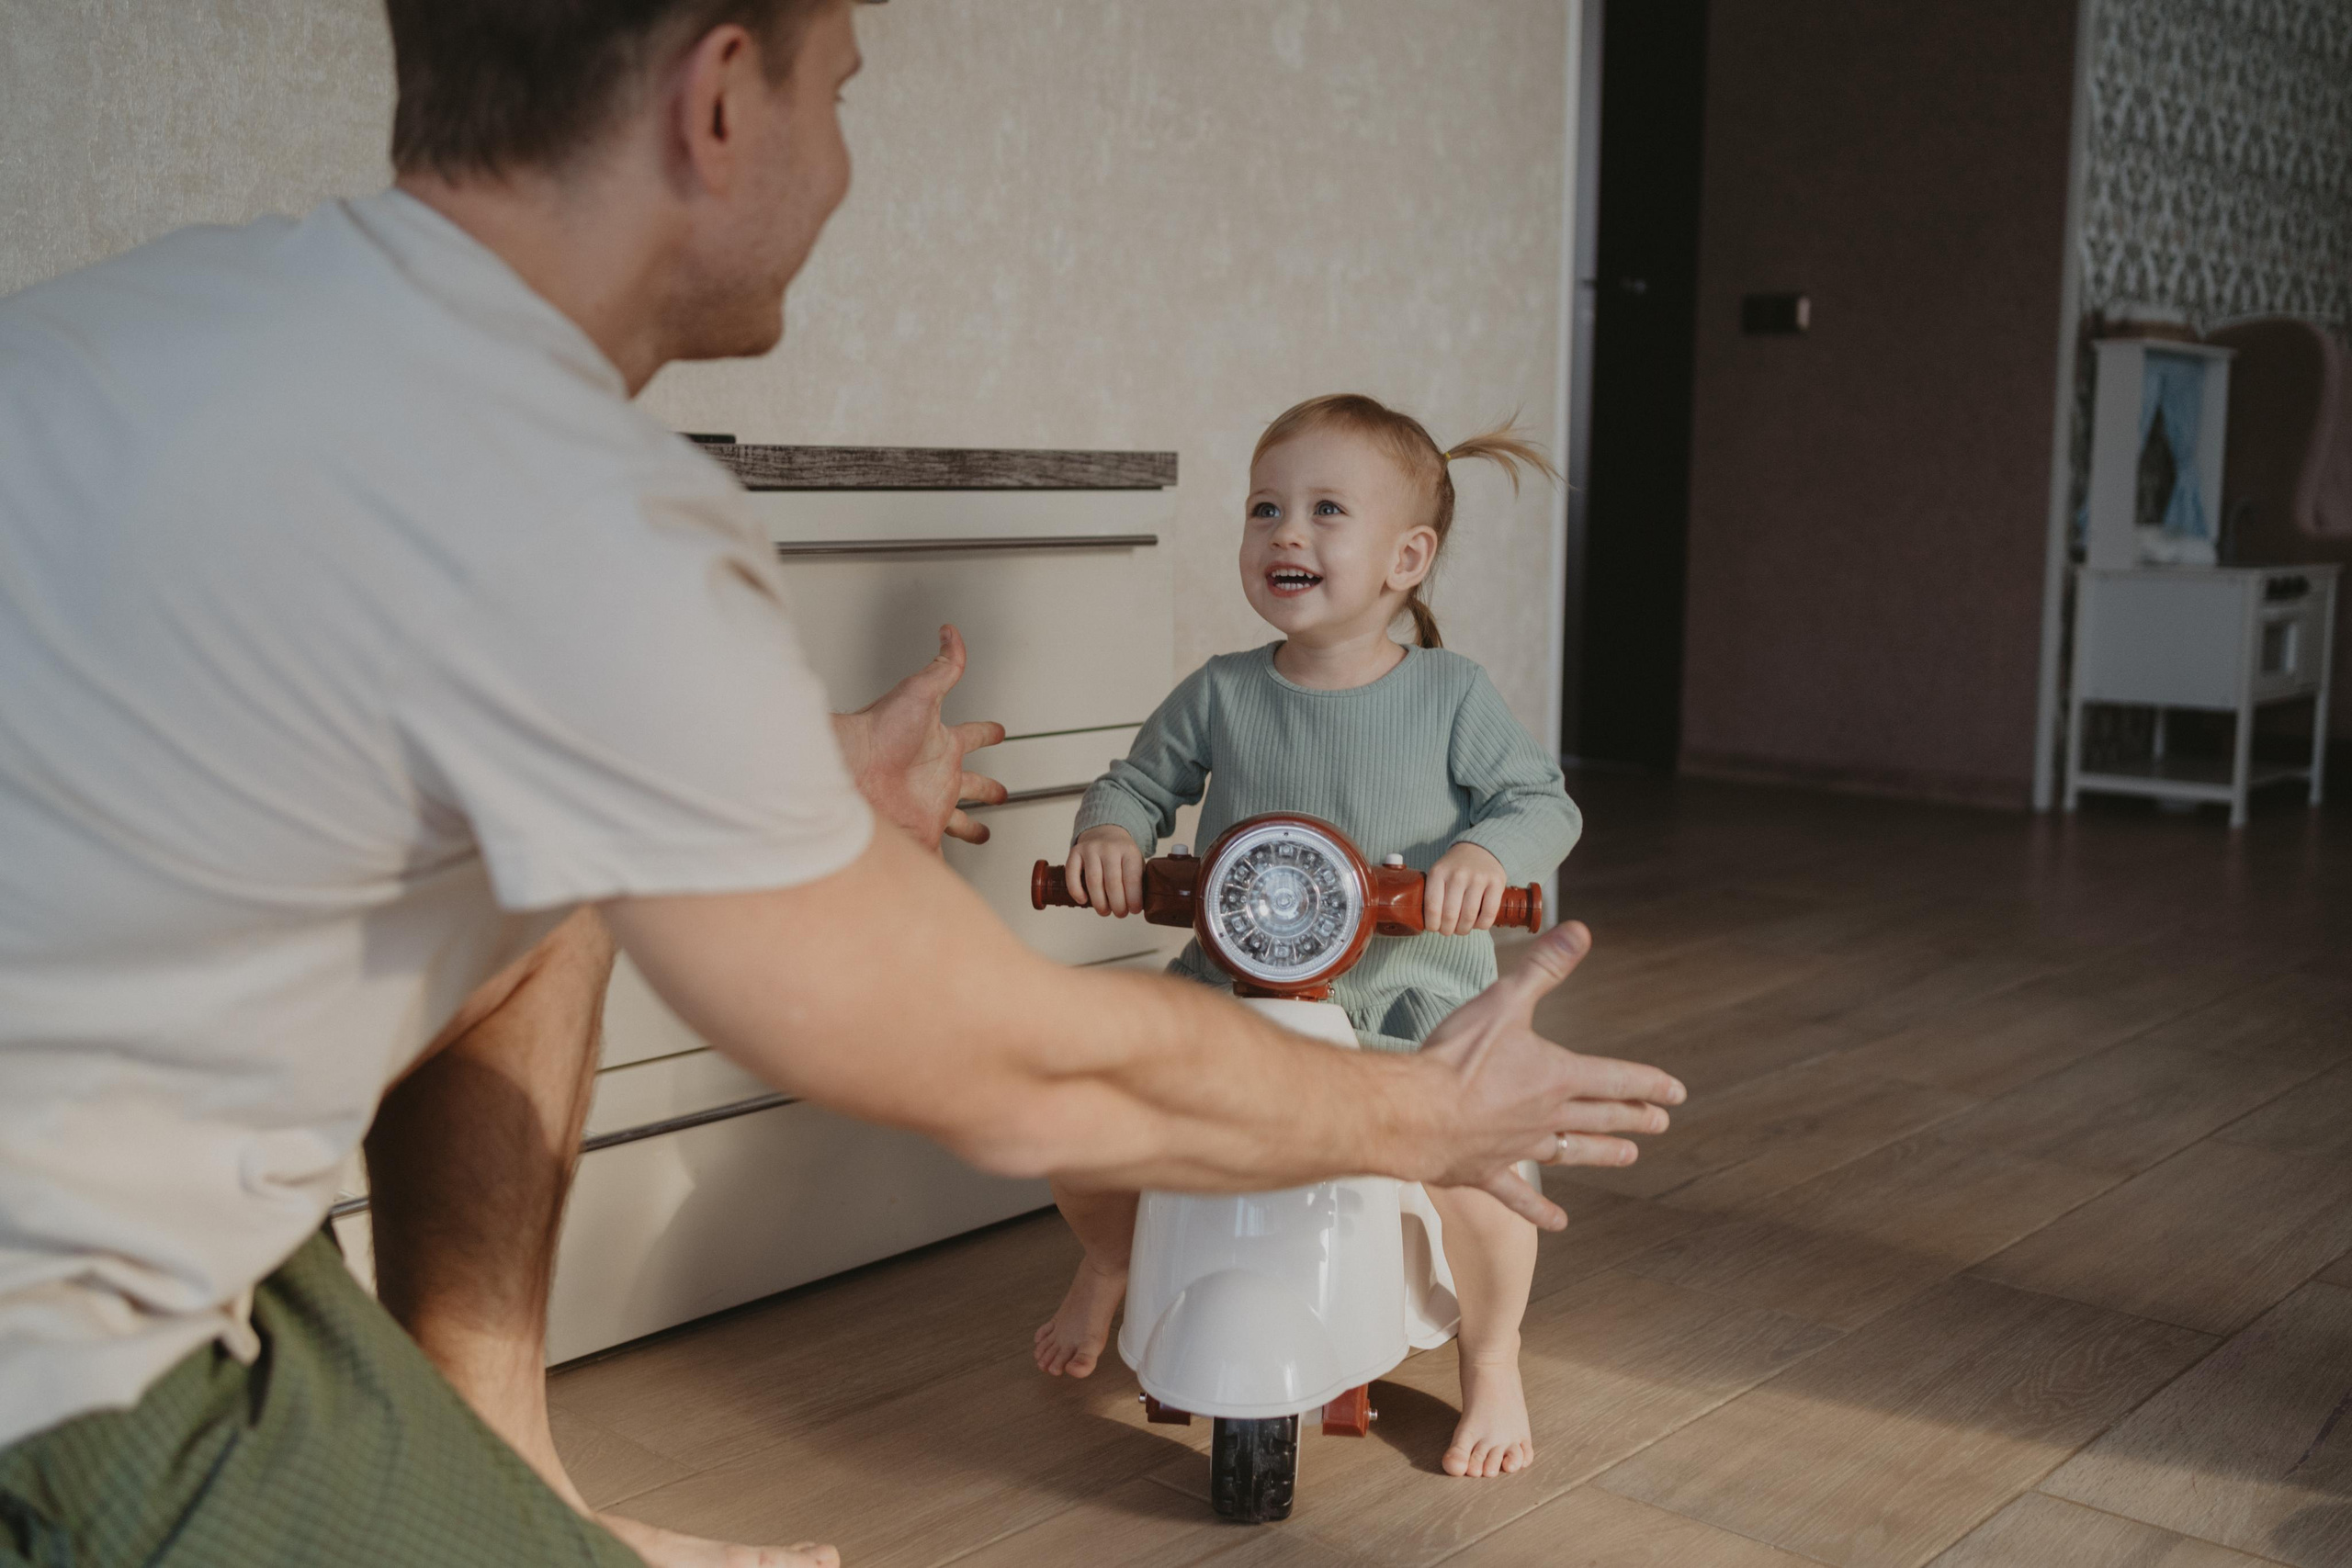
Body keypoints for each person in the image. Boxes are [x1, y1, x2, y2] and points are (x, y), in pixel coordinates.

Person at [0, 3, 1686, 1566]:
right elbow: (1009, 1071)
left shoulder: (144, 325)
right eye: (844, 96)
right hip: (51, 1380)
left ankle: (507, 1468)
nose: (846, 161)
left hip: (111, 1168)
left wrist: (783, 782)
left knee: (542, 897)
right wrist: (1423, 1115)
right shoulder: (569, 507)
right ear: (722, 100)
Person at [1037, 394, 1573, 1481]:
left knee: (1479, 1177)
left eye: (1328, 510)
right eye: (1265, 507)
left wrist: (1486, 859)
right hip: (1234, 991)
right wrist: (1110, 834)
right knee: (1080, 1123)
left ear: (1405, 557)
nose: (1287, 532)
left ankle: (1493, 1352)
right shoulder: (1225, 691)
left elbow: (1540, 801)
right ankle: (1112, 1254)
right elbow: (1138, 782)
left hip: (1408, 999)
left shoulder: (1448, 691)